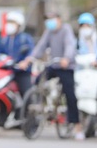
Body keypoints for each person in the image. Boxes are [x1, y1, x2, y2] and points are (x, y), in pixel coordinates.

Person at [18, 12, 84, 140]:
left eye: (52, 19)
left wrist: (66, 58)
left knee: (70, 94)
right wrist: (29, 59)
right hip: (53, 65)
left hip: (65, 66)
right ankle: (40, 104)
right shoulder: (49, 31)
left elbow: (70, 45)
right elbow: (40, 46)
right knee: (38, 80)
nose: (50, 22)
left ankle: (77, 125)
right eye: (47, 19)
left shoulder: (66, 30)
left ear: (59, 19)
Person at [0, 11, 34, 106]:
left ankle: (28, 117)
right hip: (6, 72)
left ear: (19, 25)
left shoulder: (25, 39)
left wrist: (25, 62)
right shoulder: (4, 40)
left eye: (12, 22)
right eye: (8, 22)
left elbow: (31, 53)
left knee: (26, 96)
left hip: (21, 73)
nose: (9, 25)